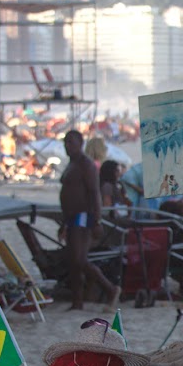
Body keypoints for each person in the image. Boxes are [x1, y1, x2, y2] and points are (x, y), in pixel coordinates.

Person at [58, 129, 118, 310]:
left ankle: (110, 288)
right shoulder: (71, 164)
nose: (67, 146)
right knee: (73, 261)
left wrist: (97, 221)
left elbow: (95, 193)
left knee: (79, 259)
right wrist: (63, 223)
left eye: (71, 143)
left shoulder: (86, 165)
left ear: (80, 144)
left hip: (83, 215)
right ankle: (77, 301)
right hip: (71, 217)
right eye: (65, 143)